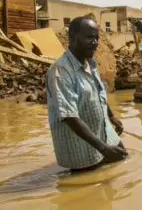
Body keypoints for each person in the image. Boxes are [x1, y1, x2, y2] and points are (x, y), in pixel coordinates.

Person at [46, 16, 127, 172]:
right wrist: (103, 149)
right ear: (72, 37)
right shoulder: (61, 71)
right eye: (89, 37)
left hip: (104, 133)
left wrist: (111, 116)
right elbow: (69, 116)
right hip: (82, 146)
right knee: (89, 187)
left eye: (96, 38)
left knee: (122, 162)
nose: (95, 42)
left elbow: (98, 92)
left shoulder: (89, 63)